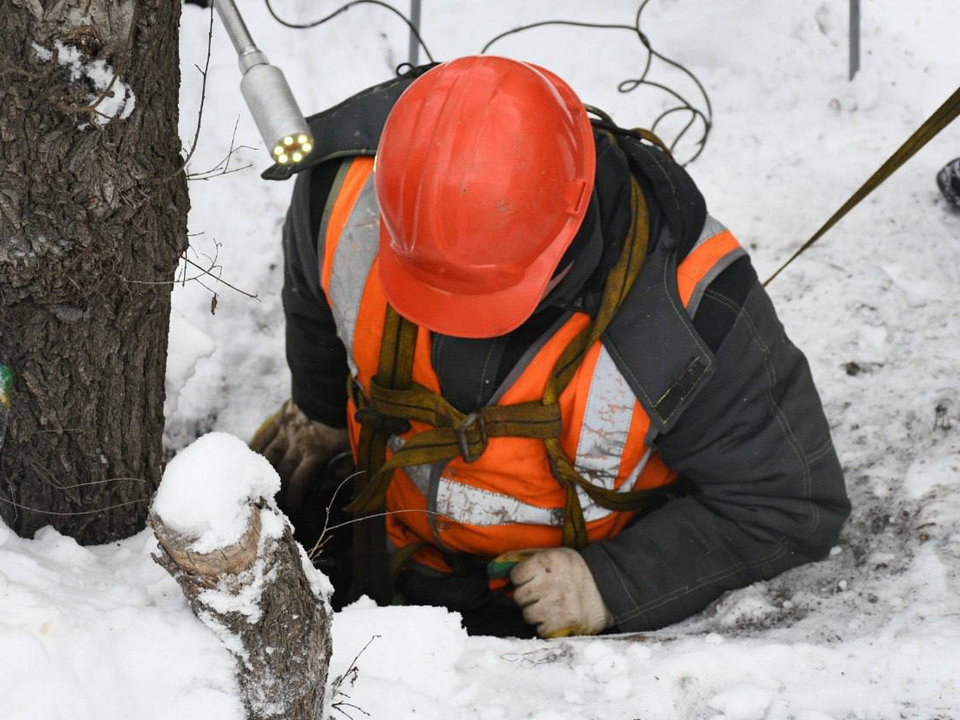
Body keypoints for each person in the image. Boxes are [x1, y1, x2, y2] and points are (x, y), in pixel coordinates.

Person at [252, 56, 850, 639]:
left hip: (556, 619)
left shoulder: (691, 309)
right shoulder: (340, 193)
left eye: (490, 297)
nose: (461, 327)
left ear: (574, 220)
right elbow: (311, 297)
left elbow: (788, 505)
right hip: (388, 553)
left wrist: (614, 585)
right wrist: (321, 410)